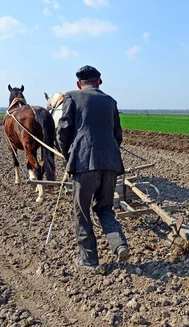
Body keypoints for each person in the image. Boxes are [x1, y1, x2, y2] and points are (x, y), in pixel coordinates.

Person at [56, 65, 130, 273]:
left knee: (82, 212)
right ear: (99, 81)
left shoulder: (71, 97)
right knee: (105, 208)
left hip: (83, 163)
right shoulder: (110, 101)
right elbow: (118, 135)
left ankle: (88, 260)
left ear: (79, 84)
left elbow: (63, 132)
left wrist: (68, 156)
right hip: (111, 163)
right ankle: (119, 244)